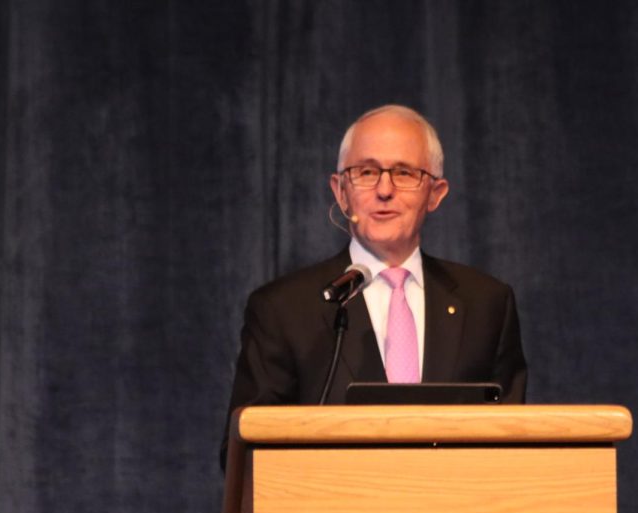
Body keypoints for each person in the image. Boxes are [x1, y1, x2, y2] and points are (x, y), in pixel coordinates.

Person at [221, 105, 526, 466]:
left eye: (404, 172)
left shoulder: (487, 304)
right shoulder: (283, 309)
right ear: (341, 190)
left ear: (436, 193)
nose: (385, 189)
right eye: (366, 172)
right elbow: (247, 455)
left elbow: (513, 445)